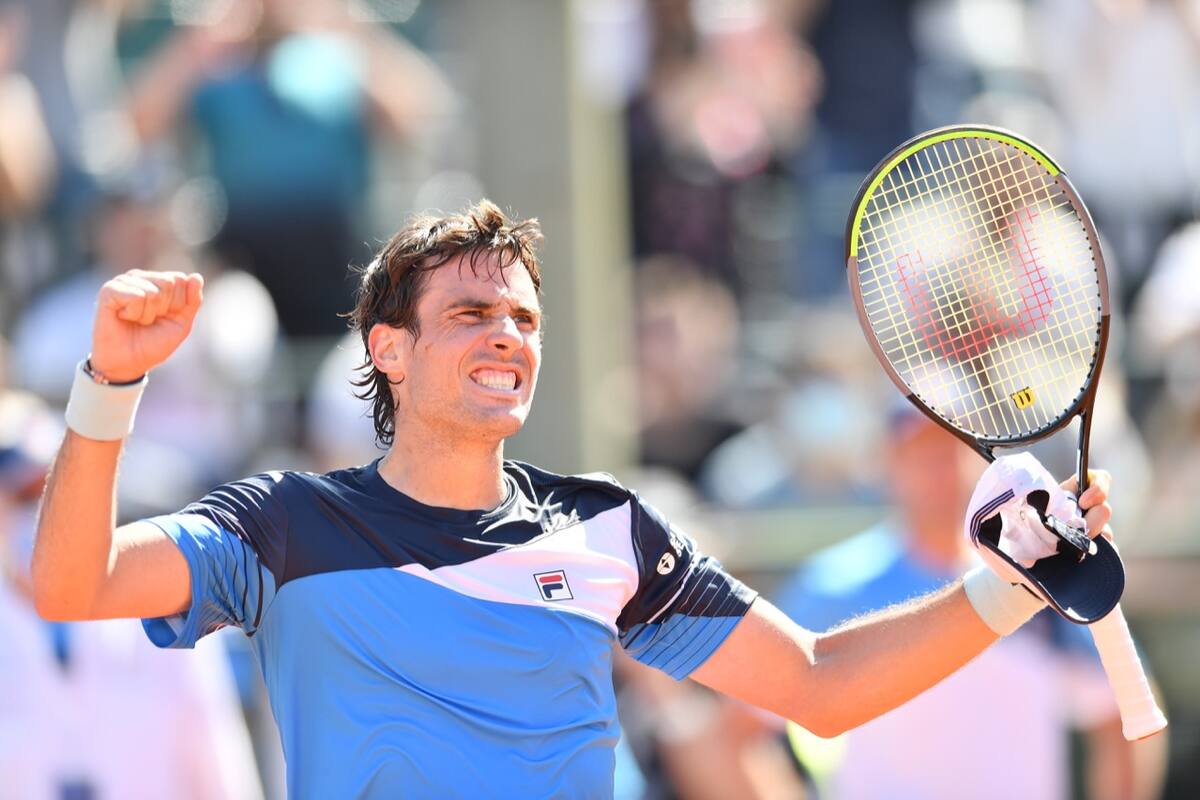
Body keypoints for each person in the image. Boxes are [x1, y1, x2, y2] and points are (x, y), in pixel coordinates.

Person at [32, 200, 1119, 798]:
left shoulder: (609, 530)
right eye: (470, 314)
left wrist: (1012, 586)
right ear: (389, 350)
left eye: (524, 317)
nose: (508, 333)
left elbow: (820, 684)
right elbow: (72, 581)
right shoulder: (278, 524)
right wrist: (112, 383)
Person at [772, 403, 1168, 800]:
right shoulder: (833, 587)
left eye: (950, 448)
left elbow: (1122, 715)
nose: (940, 469)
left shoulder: (1040, 569)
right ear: (891, 463)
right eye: (922, 451)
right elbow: (731, 737)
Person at [0, 389, 263, 800]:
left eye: (53, 491)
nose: (41, 511)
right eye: (24, 493)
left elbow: (225, 782)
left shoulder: (163, 615)